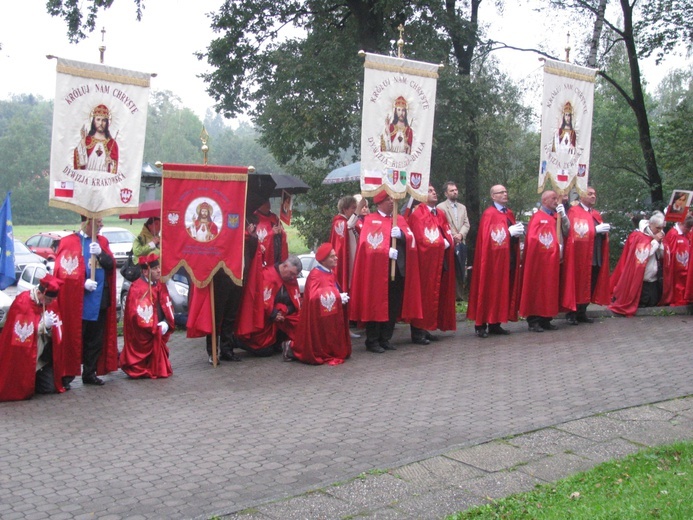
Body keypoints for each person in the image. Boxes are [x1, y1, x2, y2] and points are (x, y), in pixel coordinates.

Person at [349, 191, 422, 353]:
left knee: (392, 306)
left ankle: (386, 338)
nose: (392, 202)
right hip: (378, 273)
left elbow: (412, 239)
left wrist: (402, 235)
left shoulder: (399, 219)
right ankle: (373, 340)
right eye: (388, 199)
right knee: (376, 305)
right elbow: (367, 245)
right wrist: (385, 252)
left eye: (392, 199)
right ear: (380, 202)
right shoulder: (370, 220)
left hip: (398, 270)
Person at [54, 216, 118, 385]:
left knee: (95, 339)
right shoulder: (69, 242)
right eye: (98, 222)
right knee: (75, 338)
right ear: (88, 222)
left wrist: (101, 253)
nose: (102, 225)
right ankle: (67, 376)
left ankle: (89, 372)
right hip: (79, 301)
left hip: (100, 300)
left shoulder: (102, 241)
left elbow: (111, 265)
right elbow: (63, 272)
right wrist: (82, 283)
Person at [467, 185, 524, 337]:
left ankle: (495, 323)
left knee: (501, 291)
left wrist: (516, 234)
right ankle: (481, 325)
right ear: (493, 196)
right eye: (501, 192)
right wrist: (508, 232)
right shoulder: (489, 214)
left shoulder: (509, 213)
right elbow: (489, 239)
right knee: (488, 290)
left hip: (507, 258)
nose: (505, 194)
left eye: (506, 191)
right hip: (492, 262)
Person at [0, 274, 66, 401]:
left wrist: (50, 329)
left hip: (41, 358)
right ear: (40, 293)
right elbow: (23, 334)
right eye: (47, 300)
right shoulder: (23, 302)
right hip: (24, 355)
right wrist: (43, 326)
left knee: (51, 387)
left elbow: (57, 331)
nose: (50, 303)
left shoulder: (50, 303)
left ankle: (35, 379)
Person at [283, 244, 351, 365]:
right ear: (323, 260)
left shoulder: (331, 272)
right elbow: (313, 297)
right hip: (319, 316)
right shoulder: (315, 275)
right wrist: (337, 296)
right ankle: (290, 348)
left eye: (335, 255)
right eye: (332, 257)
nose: (336, 258)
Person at [407, 185, 456, 344]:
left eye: (434, 190)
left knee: (436, 293)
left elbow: (446, 232)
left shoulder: (440, 213)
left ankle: (427, 327)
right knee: (424, 295)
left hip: (441, 260)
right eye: (429, 191)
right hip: (425, 264)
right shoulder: (418, 214)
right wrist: (442, 244)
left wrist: (447, 242)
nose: (434, 193)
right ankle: (417, 331)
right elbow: (422, 240)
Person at [519, 190, 573, 332]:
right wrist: (553, 246)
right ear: (544, 201)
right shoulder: (537, 217)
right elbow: (533, 239)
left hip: (553, 261)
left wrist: (564, 216)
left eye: (557, 198)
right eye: (554, 198)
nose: (557, 201)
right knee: (537, 289)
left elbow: (567, 232)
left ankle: (546, 318)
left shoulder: (557, 216)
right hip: (540, 262)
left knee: (550, 289)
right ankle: (534, 320)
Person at [562, 186, 612, 325]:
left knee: (591, 283)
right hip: (581, 255)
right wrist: (594, 230)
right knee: (578, 282)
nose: (593, 196)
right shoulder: (574, 211)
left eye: (594, 194)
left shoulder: (595, 213)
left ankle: (582, 311)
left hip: (595, 254)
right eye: (590, 194)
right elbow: (574, 233)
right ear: (581, 196)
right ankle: (572, 313)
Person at [120, 254, 174, 379]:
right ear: (145, 271)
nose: (159, 271)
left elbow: (167, 303)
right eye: (155, 269)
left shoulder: (160, 284)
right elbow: (135, 314)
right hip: (144, 332)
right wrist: (153, 327)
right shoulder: (137, 288)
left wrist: (166, 321)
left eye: (159, 267)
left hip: (158, 327)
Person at [236, 255, 303, 356]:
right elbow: (260, 301)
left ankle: (279, 342)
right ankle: (237, 341)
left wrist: (284, 310)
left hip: (283, 316)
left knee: (299, 320)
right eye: (292, 273)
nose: (292, 277)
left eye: (295, 275)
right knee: (264, 351)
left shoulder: (291, 281)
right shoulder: (267, 275)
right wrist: (274, 314)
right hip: (265, 318)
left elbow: (295, 303)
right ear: (285, 266)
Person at [609, 212, 666, 316]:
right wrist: (655, 242)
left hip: (653, 278)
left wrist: (660, 243)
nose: (660, 231)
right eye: (658, 228)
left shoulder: (656, 236)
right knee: (642, 303)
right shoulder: (640, 236)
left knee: (653, 302)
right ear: (650, 225)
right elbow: (643, 255)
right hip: (642, 279)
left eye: (662, 228)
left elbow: (662, 255)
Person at [436, 181, 471, 300]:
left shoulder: (462, 207)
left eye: (456, 190)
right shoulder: (440, 207)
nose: (455, 192)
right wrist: (454, 236)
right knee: (449, 269)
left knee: (461, 269)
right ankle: (449, 295)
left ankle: (459, 297)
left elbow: (466, 224)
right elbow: (442, 224)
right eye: (452, 190)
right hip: (449, 242)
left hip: (461, 242)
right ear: (446, 193)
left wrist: (461, 235)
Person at [658, 214, 693, 307]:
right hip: (676, 266)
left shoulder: (686, 234)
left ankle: (684, 298)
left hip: (685, 265)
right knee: (676, 284)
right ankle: (676, 299)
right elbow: (669, 252)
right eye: (687, 227)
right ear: (681, 224)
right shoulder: (673, 234)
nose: (688, 230)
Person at [73, 104, 119, 173]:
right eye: (98, 119)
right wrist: (83, 143)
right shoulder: (87, 140)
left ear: (107, 123)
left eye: (103, 120)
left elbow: (115, 169)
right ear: (93, 121)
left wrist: (110, 162)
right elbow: (80, 164)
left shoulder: (112, 143)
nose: (100, 123)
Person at [330, 195, 359, 292]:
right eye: (353, 208)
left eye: (356, 208)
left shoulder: (348, 222)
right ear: (345, 209)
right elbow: (349, 225)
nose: (355, 211)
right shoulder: (340, 223)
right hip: (346, 263)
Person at [255, 199, 288, 267]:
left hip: (278, 257)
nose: (268, 204)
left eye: (268, 202)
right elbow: (256, 241)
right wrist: (271, 234)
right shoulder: (254, 218)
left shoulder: (274, 217)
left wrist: (281, 231)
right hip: (264, 261)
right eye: (265, 203)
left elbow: (283, 233)